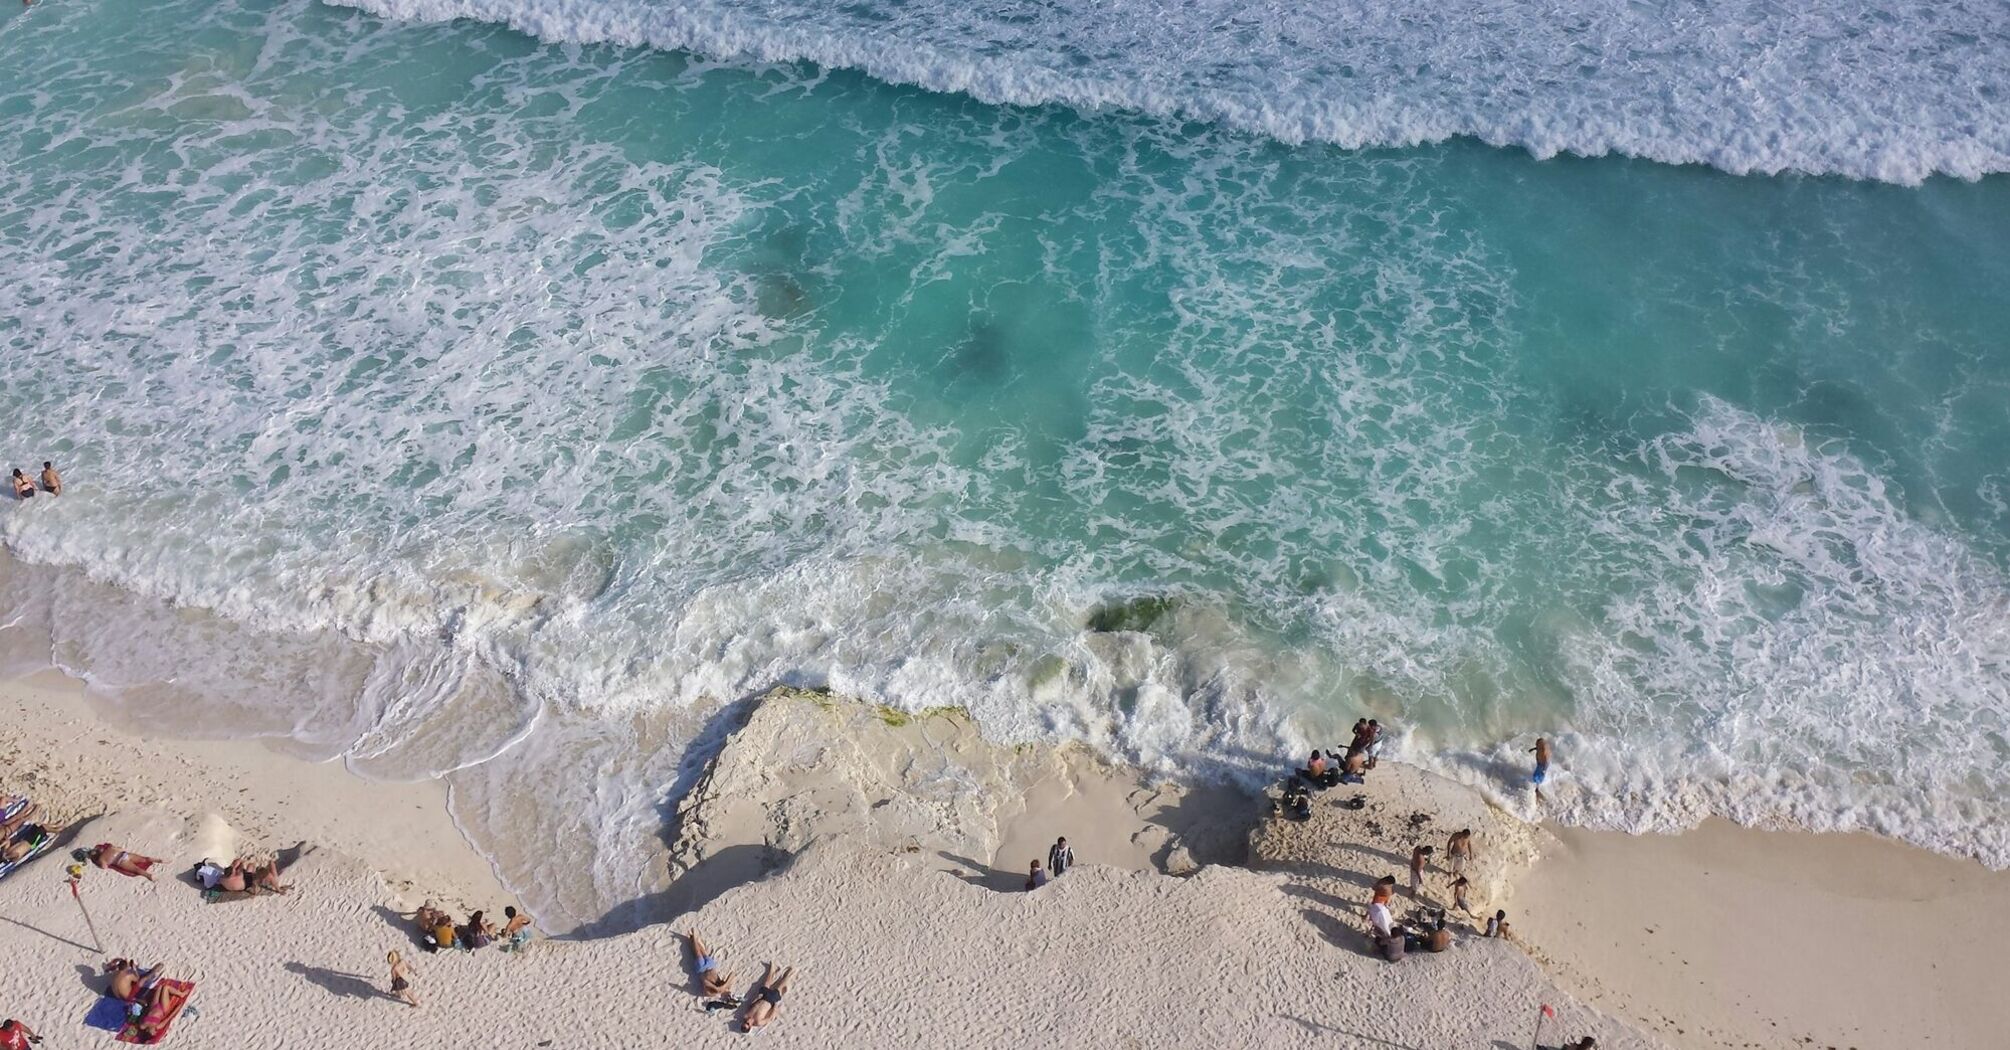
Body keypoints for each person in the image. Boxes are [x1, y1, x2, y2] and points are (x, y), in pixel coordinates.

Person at [742, 963, 795, 1032]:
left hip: (762, 997)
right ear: (750, 1026)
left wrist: (757, 998)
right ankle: (788, 974)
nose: (747, 1021)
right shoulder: (758, 1022)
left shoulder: (746, 1015)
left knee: (766, 983)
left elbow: (751, 1005)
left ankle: (773, 970)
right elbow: (769, 1018)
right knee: (781, 984)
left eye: (745, 1022)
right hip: (770, 1001)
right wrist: (775, 1006)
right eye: (748, 1024)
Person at [688, 930, 734, 997]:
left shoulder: (712, 992)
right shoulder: (726, 986)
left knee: (698, 954)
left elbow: (705, 982)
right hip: (711, 966)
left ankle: (694, 938)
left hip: (702, 969)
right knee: (703, 951)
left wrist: (716, 988)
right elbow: (732, 974)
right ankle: (694, 939)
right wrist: (725, 985)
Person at [86, 843, 162, 881]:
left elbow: (104, 867)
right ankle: (158, 860)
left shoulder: (101, 859)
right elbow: (121, 849)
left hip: (120, 861)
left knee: (136, 869)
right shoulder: (110, 848)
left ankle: (148, 875)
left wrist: (98, 863)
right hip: (125, 855)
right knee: (144, 859)